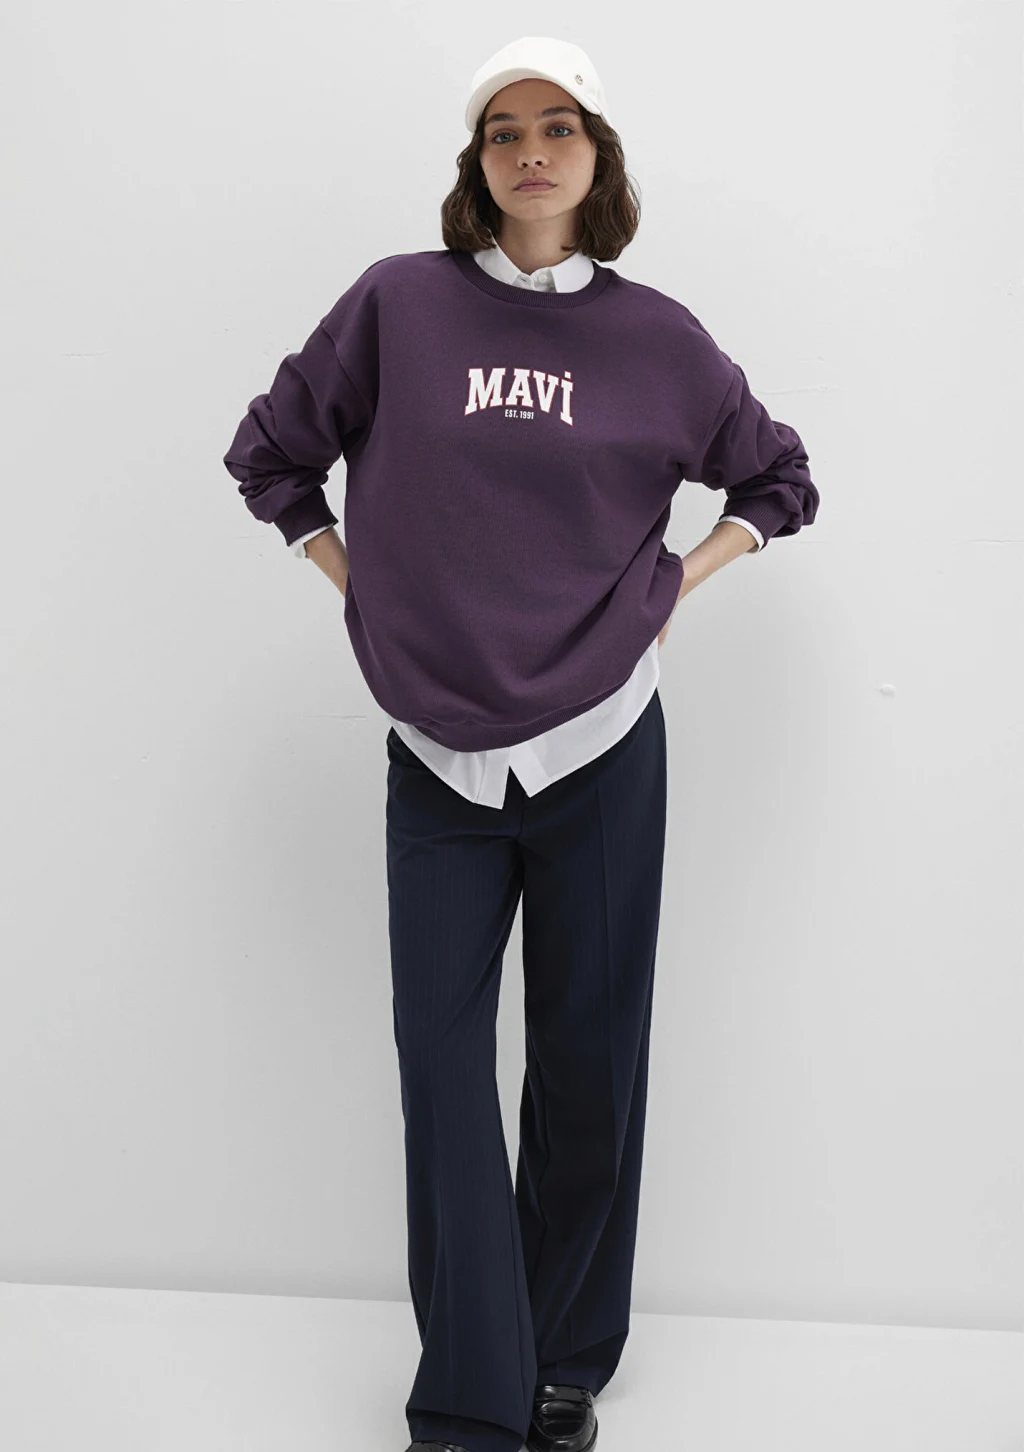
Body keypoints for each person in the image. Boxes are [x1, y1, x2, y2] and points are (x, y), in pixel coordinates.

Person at [222, 34, 819, 1452]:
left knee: (588, 1063)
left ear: (597, 155)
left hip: (602, 745)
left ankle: (562, 1362)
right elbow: (270, 456)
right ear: (476, 162)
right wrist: (358, 584)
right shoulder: (399, 306)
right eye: (505, 131)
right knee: (441, 1070)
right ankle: (473, 1394)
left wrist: (676, 582)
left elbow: (778, 477)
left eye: (560, 127)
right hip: (436, 754)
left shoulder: (658, 340)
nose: (532, 151)